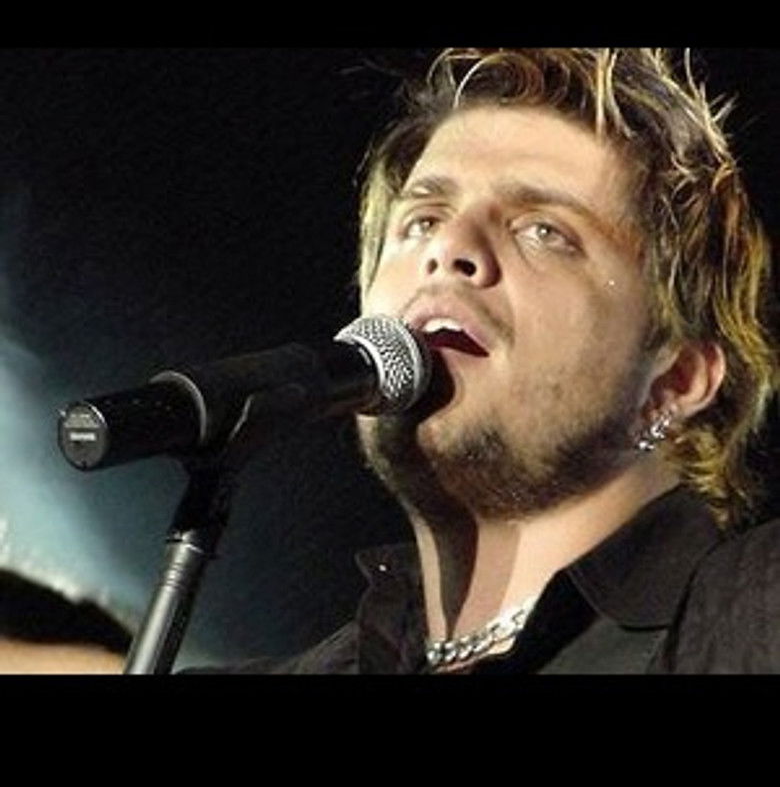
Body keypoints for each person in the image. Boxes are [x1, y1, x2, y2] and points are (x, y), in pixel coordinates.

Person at [184, 47, 780, 675]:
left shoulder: (751, 619)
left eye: (544, 231)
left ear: (676, 381)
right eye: (422, 220)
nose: (449, 247)